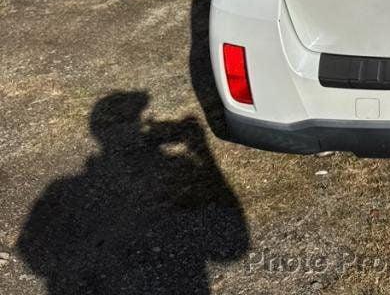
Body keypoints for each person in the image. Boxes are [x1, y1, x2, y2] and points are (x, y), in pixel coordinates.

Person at [17, 91, 249, 294]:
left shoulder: (64, 191)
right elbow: (232, 246)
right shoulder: (179, 172)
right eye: (136, 122)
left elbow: (32, 252)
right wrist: (201, 149)